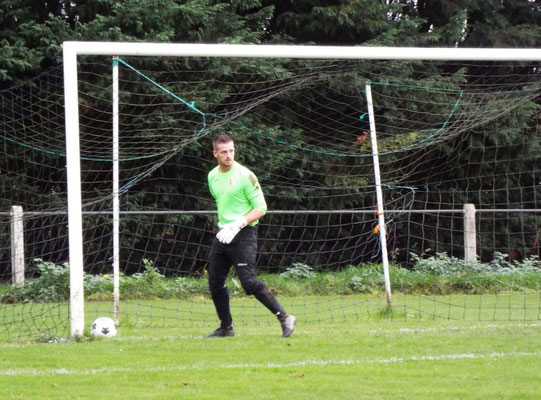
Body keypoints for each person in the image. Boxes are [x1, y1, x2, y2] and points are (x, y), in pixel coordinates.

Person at [205, 134, 296, 338]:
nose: (229, 155)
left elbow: (261, 207)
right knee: (215, 281)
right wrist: (225, 227)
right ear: (215, 154)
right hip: (224, 233)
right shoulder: (212, 176)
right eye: (224, 152)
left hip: (244, 231)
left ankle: (285, 317)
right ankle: (226, 328)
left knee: (248, 282)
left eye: (232, 150)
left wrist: (238, 223)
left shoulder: (246, 175)